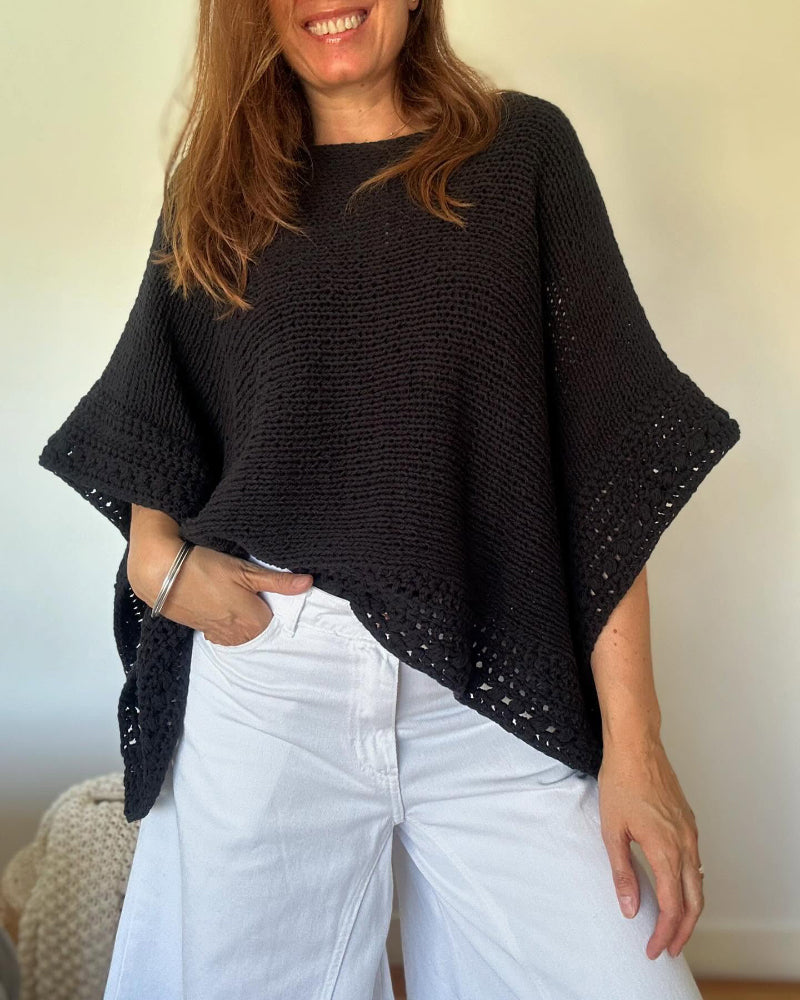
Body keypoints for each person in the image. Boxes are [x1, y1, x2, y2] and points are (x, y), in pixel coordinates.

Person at [38, 0, 741, 997]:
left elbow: (600, 461)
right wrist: (157, 561)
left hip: (492, 667)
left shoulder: (521, 153)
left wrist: (636, 743)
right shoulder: (220, 183)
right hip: (272, 670)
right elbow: (157, 407)